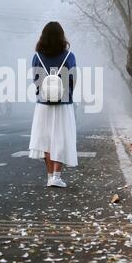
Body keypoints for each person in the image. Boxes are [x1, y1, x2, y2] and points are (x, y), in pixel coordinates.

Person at [29, 21, 78, 188]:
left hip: (43, 105)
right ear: (61, 37)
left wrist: (43, 92)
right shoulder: (69, 56)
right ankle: (57, 176)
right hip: (63, 104)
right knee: (61, 138)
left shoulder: (37, 56)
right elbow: (73, 80)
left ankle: (49, 176)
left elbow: (35, 81)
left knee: (46, 140)